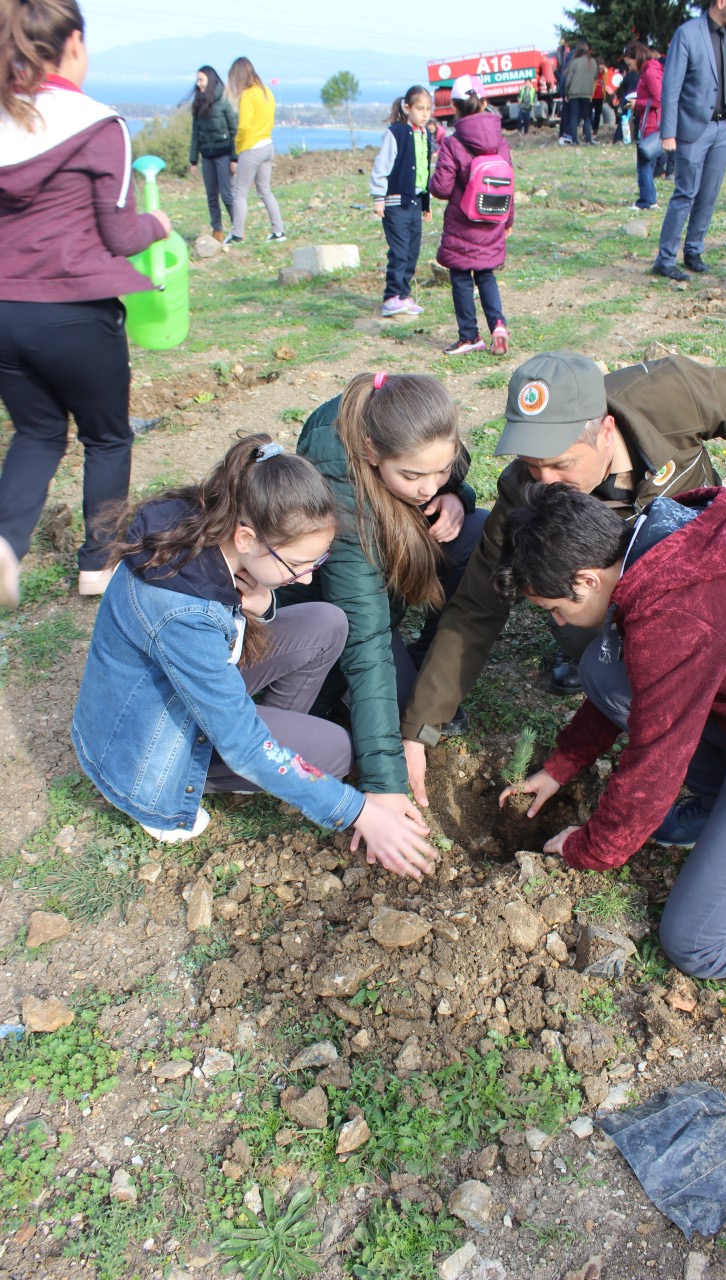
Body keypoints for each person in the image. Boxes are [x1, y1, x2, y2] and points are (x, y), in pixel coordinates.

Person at [400, 350, 726, 809]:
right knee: (600, 658)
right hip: (632, 606)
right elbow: (477, 606)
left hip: (712, 566)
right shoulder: (524, 492)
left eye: (561, 464)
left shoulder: (666, 396)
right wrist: (421, 728)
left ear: (605, 431)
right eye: (533, 465)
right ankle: (701, 737)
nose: (546, 482)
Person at [494, 482, 726, 980]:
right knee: (603, 667)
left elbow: (657, 759)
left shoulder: (675, 610)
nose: (557, 620)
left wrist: (593, 847)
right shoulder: (656, 541)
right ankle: (720, 805)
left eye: (556, 608)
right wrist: (562, 765)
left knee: (698, 942)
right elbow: (638, 678)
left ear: (588, 580)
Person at [71, 435, 436, 879]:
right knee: (336, 750)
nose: (303, 579)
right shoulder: (184, 615)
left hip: (178, 696)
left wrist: (263, 605)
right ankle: (235, 772)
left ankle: (268, 759)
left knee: (327, 622)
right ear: (247, 537)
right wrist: (360, 812)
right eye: (297, 564)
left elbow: (232, 628)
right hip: (147, 751)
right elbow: (232, 717)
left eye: (315, 564)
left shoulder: (209, 525)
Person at [0, 0, 170, 610]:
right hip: (77, 307)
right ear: (73, 42)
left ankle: (4, 543)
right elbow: (120, 235)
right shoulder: (99, 124)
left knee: (37, 432)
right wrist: (155, 222)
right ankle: (97, 565)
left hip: (4, 309)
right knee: (106, 437)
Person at [281, 372, 489, 809]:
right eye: (413, 475)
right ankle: (340, 687)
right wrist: (384, 783)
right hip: (333, 611)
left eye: (441, 470)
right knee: (398, 715)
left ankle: (421, 665)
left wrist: (456, 494)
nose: (428, 487)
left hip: (385, 577)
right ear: (371, 452)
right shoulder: (341, 495)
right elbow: (366, 638)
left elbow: (443, 476)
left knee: (477, 531)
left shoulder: (405, 416)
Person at [652, 0, 726, 282]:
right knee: (685, 194)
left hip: (723, 126)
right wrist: (668, 132)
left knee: (709, 193)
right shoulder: (688, 33)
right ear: (721, 2)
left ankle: (694, 251)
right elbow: (671, 85)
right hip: (694, 128)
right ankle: (665, 259)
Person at [429, 74, 513, 357]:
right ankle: (498, 326)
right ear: (485, 102)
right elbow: (508, 185)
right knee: (486, 274)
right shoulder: (501, 142)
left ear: (454, 106)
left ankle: (469, 336)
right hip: (492, 220)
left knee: (462, 278)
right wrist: (508, 220)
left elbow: (440, 188)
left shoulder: (453, 144)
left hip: (463, 223)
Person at [370, 85, 433, 318]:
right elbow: (382, 166)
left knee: (412, 250)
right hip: (395, 202)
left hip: (415, 202)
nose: (425, 114)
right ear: (407, 108)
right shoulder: (396, 133)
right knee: (399, 250)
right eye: (419, 108)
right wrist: (378, 198)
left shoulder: (425, 134)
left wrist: (426, 203)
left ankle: (403, 295)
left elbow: (423, 171)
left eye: (428, 109)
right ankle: (391, 297)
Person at [223, 57, 284, 245]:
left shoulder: (248, 94)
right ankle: (279, 231)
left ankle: (237, 234)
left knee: (240, 192)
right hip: (268, 146)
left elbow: (244, 126)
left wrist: (238, 145)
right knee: (265, 190)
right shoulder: (266, 92)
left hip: (252, 148)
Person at [189, 65, 237, 242]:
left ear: (210, 80)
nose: (198, 84)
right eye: (197, 80)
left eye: (201, 80)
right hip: (207, 155)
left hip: (224, 153)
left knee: (226, 194)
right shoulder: (198, 102)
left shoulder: (224, 100)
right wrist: (193, 159)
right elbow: (196, 132)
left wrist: (235, 157)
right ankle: (217, 230)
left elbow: (235, 130)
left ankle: (237, 227)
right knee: (211, 195)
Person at [624, 42, 662, 210]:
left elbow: (658, 98)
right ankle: (649, 199)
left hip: (651, 124)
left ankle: (646, 201)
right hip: (652, 123)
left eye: (629, 63)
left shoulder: (650, 73)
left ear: (636, 58)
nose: (630, 67)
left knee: (644, 164)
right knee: (647, 164)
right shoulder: (651, 70)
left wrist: (636, 103)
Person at [558, 40, 597, 145]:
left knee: (574, 117)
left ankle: (574, 139)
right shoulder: (593, 62)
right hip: (587, 94)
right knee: (587, 117)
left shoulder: (574, 62)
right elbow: (595, 77)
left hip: (574, 94)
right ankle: (589, 139)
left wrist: (566, 93)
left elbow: (568, 79)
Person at [591, 60, 607, 136]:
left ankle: (595, 129)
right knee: (589, 113)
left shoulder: (604, 74)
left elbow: (604, 83)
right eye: (599, 68)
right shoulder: (593, 73)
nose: (601, 70)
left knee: (598, 114)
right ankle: (589, 128)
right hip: (592, 96)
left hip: (600, 96)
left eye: (602, 67)